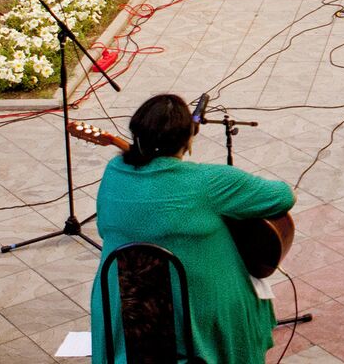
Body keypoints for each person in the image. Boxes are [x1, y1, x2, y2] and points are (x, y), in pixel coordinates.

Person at [89, 94, 294, 364]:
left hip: (124, 308)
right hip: (199, 313)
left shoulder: (114, 170)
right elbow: (282, 196)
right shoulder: (208, 181)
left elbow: (105, 228)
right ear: (188, 140)